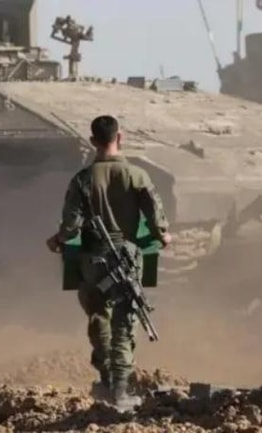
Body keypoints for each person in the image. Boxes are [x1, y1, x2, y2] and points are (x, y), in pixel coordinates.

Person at [46, 115, 171, 412]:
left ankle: (105, 378)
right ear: (120, 137)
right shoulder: (137, 175)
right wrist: (163, 235)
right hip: (127, 256)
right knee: (124, 324)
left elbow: (71, 227)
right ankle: (121, 390)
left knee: (98, 317)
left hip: (92, 260)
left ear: (93, 141)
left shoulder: (82, 179)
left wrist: (57, 240)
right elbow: (156, 218)